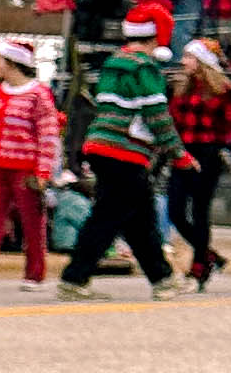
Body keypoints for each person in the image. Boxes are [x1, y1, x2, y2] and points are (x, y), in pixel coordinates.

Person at [58, 17, 182, 299]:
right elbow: (157, 115)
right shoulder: (146, 68)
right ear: (155, 38)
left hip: (101, 146)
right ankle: (74, 278)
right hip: (126, 151)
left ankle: (162, 279)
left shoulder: (112, 64)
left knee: (139, 216)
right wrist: (178, 152)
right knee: (108, 218)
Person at [0, 38, 62, 286]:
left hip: (25, 170)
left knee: (32, 223)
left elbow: (48, 134)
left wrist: (43, 171)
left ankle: (34, 274)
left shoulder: (39, 94)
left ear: (13, 63)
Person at [167, 41, 231, 289]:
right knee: (175, 212)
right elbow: (171, 122)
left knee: (200, 212)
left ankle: (199, 269)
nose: (184, 62)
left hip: (208, 155)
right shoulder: (179, 87)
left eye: (189, 57)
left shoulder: (222, 90)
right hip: (182, 154)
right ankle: (210, 256)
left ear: (203, 61)